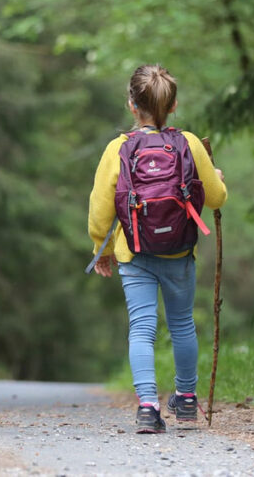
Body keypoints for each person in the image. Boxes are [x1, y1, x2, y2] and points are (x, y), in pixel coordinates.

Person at [87, 64, 227, 433]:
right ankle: (186, 400)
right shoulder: (190, 143)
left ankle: (148, 407)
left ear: (132, 105)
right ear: (174, 105)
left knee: (142, 328)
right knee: (181, 325)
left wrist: (100, 250)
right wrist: (217, 178)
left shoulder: (118, 148)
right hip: (179, 252)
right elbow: (216, 197)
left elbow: (100, 209)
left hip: (135, 253)